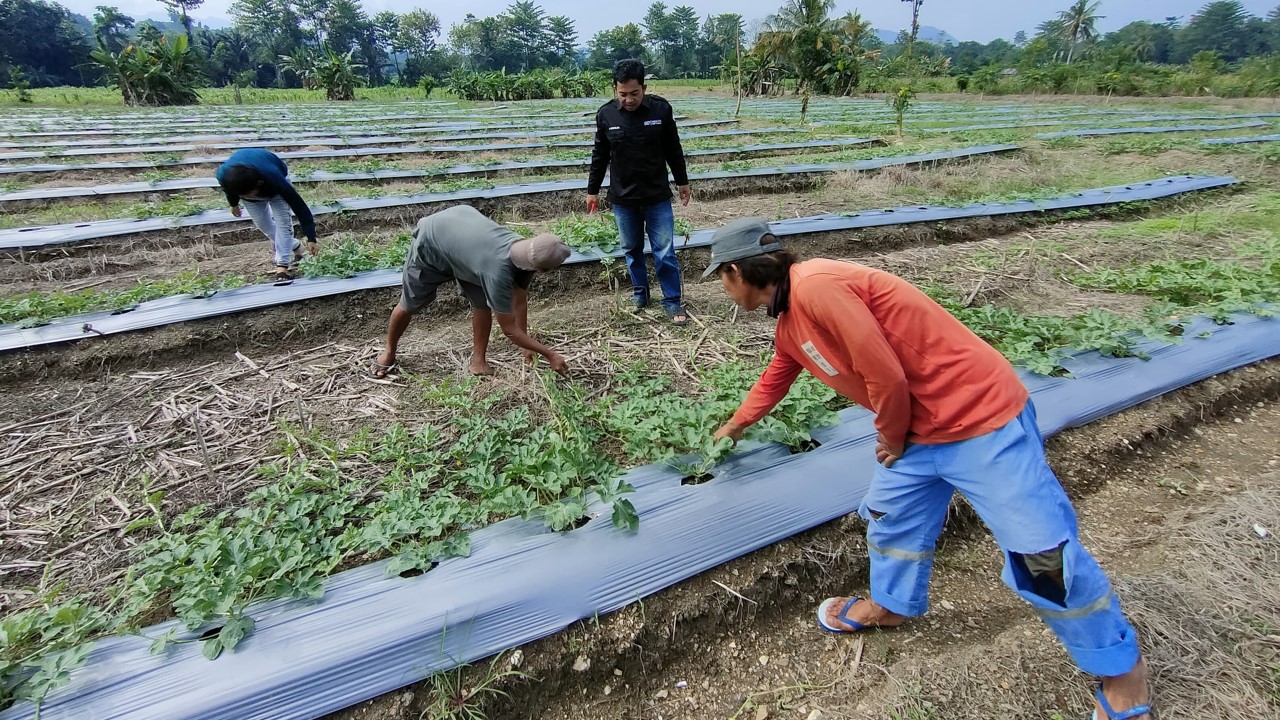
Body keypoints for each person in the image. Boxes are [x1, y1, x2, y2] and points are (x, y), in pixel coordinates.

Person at [705, 218, 1152, 720]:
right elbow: (778, 374)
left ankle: (1121, 670)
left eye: (719, 278)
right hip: (919, 435)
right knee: (889, 516)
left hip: (980, 423)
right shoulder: (791, 321)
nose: (723, 290)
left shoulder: (817, 286)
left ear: (737, 271)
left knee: (1041, 555)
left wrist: (891, 435)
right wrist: (737, 425)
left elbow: (885, 372)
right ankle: (891, 605)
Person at [371, 204, 572, 380]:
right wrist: (549, 354)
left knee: (482, 302)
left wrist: (527, 345)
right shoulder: (497, 272)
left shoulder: (527, 255)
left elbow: (519, 300)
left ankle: (478, 362)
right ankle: (389, 351)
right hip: (433, 240)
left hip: (466, 244)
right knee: (410, 303)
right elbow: (509, 329)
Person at [587, 58, 692, 326]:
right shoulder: (606, 115)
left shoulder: (660, 110)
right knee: (631, 250)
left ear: (643, 87)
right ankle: (640, 294)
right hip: (623, 198)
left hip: (656, 195)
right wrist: (592, 190)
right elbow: (599, 156)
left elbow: (673, 148)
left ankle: (671, 300)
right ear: (615, 89)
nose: (629, 99)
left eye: (634, 93)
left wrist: (682, 181)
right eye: (622, 94)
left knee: (664, 251)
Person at [215, 148, 318, 285]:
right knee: (264, 225)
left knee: (283, 226)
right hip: (245, 183)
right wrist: (234, 204)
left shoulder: (274, 177)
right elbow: (229, 190)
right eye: (244, 195)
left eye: (251, 193)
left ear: (258, 183)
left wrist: (311, 237)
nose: (250, 196)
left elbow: (299, 206)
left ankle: (282, 267)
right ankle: (295, 245)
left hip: (275, 190)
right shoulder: (224, 176)